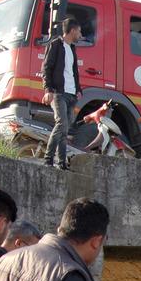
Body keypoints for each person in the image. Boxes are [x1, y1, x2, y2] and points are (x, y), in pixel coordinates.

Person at [41, 18, 83, 170]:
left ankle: (61, 162)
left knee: (65, 130)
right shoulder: (55, 45)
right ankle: (48, 159)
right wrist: (48, 90)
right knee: (61, 124)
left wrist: (78, 89)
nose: (80, 34)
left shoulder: (72, 49)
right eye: (79, 31)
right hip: (58, 93)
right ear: (72, 31)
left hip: (71, 93)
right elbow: (46, 69)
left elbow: (74, 72)